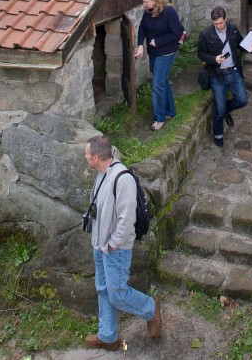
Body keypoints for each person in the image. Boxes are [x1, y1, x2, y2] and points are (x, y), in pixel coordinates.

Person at [82, 135, 161, 351]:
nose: (86, 158)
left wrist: (112, 244)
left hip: (114, 248)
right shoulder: (101, 174)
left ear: (96, 157)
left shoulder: (122, 178)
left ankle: (150, 309)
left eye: (87, 155)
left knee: (117, 294)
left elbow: (127, 220)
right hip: (101, 245)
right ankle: (108, 337)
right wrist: (99, 243)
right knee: (104, 289)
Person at [196, 6, 252, 148]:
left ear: (225, 20)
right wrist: (213, 59)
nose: (218, 26)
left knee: (242, 100)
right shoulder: (206, 34)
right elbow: (200, 54)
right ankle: (218, 134)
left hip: (233, 71)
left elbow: (241, 45)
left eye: (220, 23)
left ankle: (227, 110)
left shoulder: (233, 29)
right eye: (215, 23)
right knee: (219, 109)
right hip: (217, 75)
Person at [134, 0, 183, 131]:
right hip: (153, 52)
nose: (144, 4)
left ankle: (159, 118)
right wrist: (140, 45)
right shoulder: (148, 12)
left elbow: (176, 33)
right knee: (162, 81)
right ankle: (170, 111)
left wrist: (158, 41)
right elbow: (142, 28)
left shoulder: (169, 12)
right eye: (143, 2)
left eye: (146, 2)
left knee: (157, 84)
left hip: (166, 52)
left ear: (156, 0)